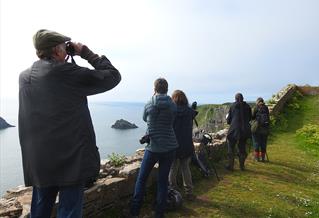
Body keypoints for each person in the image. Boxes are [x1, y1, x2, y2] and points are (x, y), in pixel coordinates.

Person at [18, 29, 121, 218]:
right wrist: (85, 53)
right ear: (57, 51)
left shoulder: (24, 77)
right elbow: (113, 76)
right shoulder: (66, 73)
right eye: (64, 47)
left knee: (39, 210)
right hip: (71, 161)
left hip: (40, 161)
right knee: (70, 212)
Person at [130, 78, 178, 218]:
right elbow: (172, 120)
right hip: (169, 147)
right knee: (163, 182)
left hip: (153, 147)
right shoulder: (172, 105)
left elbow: (145, 118)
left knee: (141, 179)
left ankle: (135, 212)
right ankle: (159, 213)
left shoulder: (149, 103)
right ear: (167, 89)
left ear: (154, 88)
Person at [168, 90, 197, 201]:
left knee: (172, 169)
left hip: (173, 144)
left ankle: (173, 192)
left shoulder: (171, 111)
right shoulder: (190, 112)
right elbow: (193, 114)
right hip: (186, 144)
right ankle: (189, 193)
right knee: (186, 168)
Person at [225, 93, 252, 171]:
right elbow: (250, 118)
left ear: (235, 99)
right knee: (242, 148)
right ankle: (242, 166)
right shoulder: (247, 106)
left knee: (231, 147)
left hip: (234, 130)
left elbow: (229, 120)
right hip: (244, 130)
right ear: (243, 98)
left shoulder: (233, 106)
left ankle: (230, 166)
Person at [251, 97, 270, 162]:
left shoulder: (256, 107)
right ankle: (263, 158)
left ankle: (257, 158)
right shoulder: (266, 108)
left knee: (256, 142)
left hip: (256, 128)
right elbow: (268, 117)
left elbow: (252, 116)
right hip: (265, 128)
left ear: (257, 102)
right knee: (263, 143)